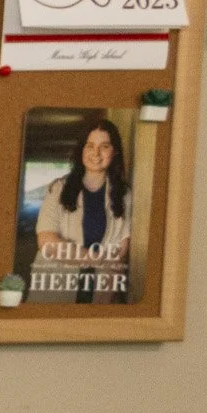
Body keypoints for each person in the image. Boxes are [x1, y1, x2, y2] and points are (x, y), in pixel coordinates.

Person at [34, 118, 131, 303]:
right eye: (89, 146)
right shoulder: (58, 189)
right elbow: (47, 242)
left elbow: (122, 245)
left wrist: (110, 280)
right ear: (81, 150)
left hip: (101, 286)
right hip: (57, 282)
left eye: (104, 146)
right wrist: (97, 260)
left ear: (114, 151)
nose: (96, 153)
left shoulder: (124, 194)